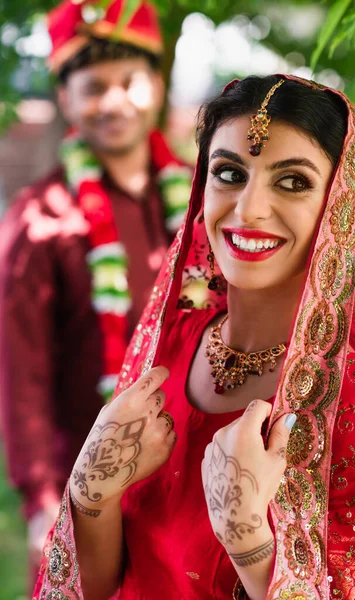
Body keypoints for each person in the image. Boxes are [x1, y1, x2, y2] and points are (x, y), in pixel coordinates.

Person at [34, 74, 355, 600]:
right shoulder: (171, 341)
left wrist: (251, 544)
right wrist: (90, 496)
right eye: (229, 173)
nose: (248, 209)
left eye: (292, 181)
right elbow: (96, 585)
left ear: (341, 207)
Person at [0, 0, 191, 580]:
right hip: (84, 485)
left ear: (156, 85)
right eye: (93, 87)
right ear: (67, 100)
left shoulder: (204, 204)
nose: (113, 102)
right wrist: (40, 501)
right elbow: (21, 372)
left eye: (130, 82)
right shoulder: (42, 219)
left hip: (189, 484)